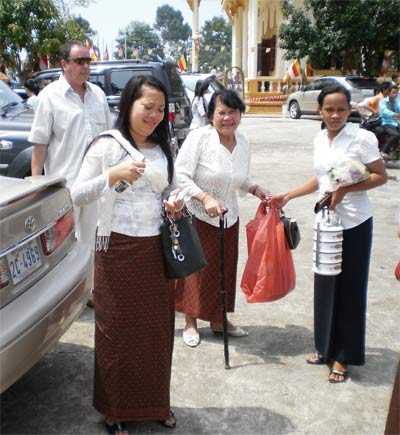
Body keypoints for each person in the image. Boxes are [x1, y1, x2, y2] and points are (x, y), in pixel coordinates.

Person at [71, 75, 181, 434]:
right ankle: (115, 410)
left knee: (156, 331)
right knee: (116, 331)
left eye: (160, 109)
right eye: (147, 106)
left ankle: (156, 403)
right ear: (129, 105)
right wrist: (111, 175)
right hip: (116, 250)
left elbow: (170, 187)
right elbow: (76, 194)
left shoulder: (164, 147)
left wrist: (175, 202)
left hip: (155, 251)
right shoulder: (106, 145)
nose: (154, 115)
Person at [272, 84, 387, 383]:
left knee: (350, 289)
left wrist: (346, 189)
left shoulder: (363, 138)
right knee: (325, 285)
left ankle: (343, 356)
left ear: (350, 110)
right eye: (329, 109)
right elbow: (320, 179)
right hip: (327, 222)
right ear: (320, 110)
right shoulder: (319, 138)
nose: (335, 115)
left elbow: (379, 176)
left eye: (341, 109)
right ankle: (324, 347)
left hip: (356, 223)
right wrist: (289, 195)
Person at [175, 89, 271, 347]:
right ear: (210, 115)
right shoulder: (199, 139)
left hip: (229, 217)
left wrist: (255, 188)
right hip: (198, 215)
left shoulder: (243, 141)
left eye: (233, 112)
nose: (227, 118)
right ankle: (191, 321)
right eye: (221, 112)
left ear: (240, 114)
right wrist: (204, 198)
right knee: (197, 270)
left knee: (224, 269)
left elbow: (239, 178)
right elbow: (180, 175)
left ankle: (218, 320)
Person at [28, 40, 112, 187]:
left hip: (98, 186)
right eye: (79, 61)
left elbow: (108, 140)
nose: (85, 66)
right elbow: (40, 146)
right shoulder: (49, 97)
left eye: (88, 61)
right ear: (64, 64)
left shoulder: (98, 95)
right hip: (66, 188)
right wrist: (35, 188)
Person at [378, 84, 400, 158]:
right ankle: (383, 151)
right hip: (386, 122)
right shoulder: (383, 101)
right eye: (394, 92)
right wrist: (393, 114)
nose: (395, 94)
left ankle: (396, 150)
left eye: (396, 93)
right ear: (389, 93)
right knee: (396, 135)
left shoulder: (396, 102)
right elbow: (384, 110)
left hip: (395, 123)